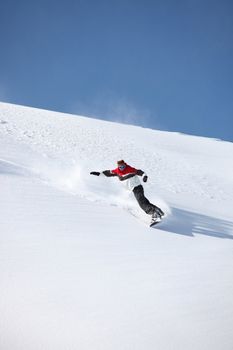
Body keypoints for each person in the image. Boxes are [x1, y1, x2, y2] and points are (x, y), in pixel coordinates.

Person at [90, 159, 164, 220]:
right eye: (120, 167)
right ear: (118, 166)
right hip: (133, 189)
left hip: (137, 187)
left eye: (123, 166)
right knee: (143, 200)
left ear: (125, 164)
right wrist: (98, 173)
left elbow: (140, 172)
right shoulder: (117, 171)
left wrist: (144, 176)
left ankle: (154, 213)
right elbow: (108, 173)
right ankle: (157, 210)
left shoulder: (130, 169)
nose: (122, 168)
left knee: (141, 203)